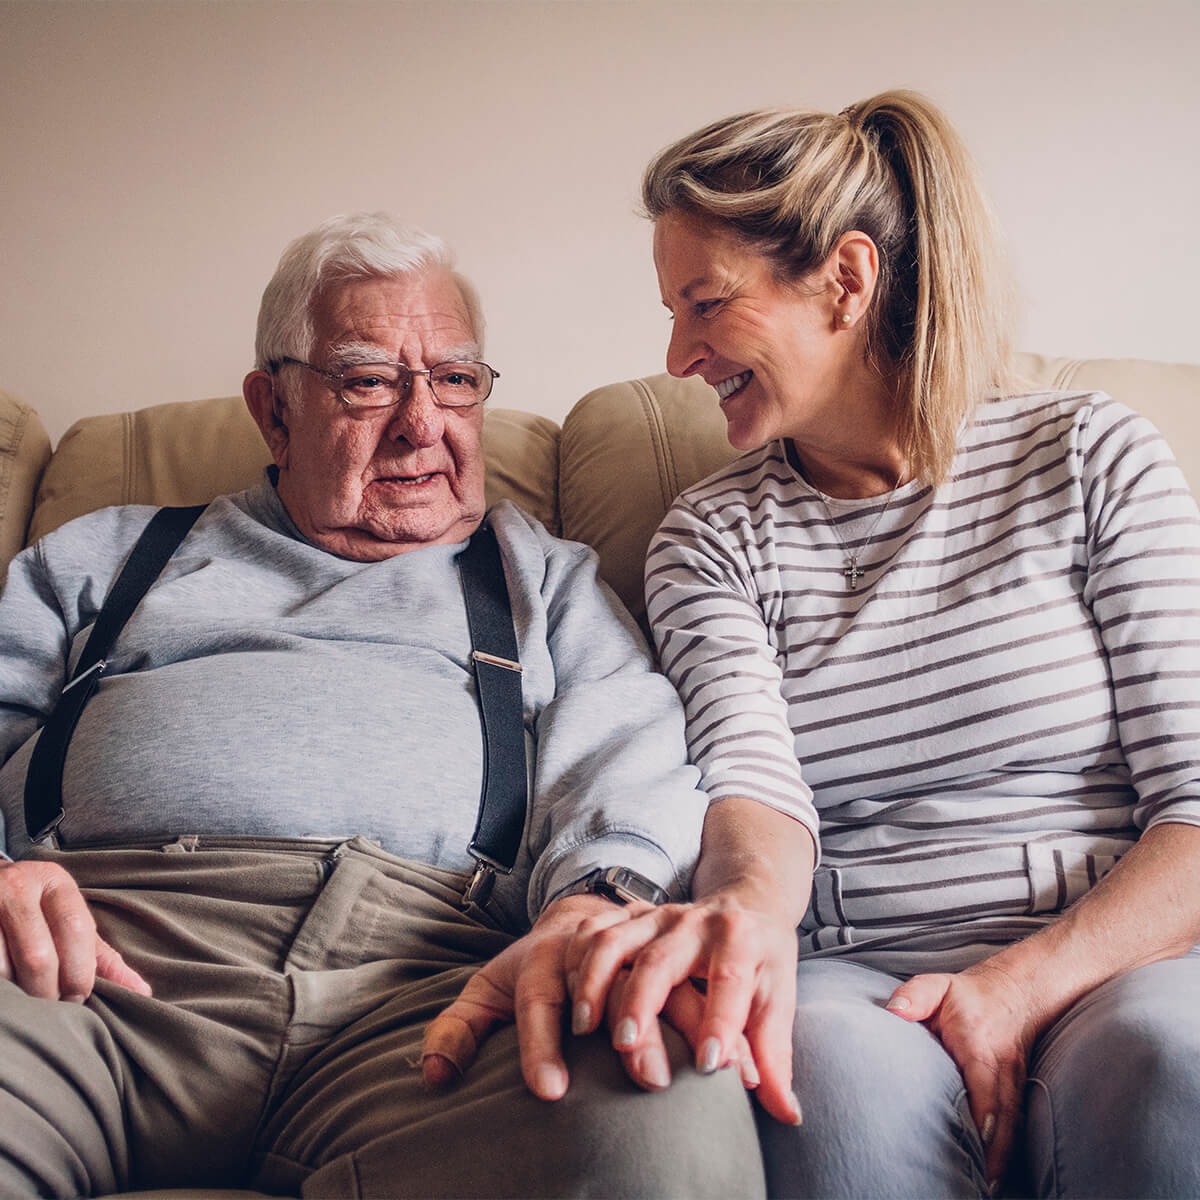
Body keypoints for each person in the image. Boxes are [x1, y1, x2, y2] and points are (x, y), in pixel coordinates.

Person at [0, 212, 764, 1198]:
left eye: (453, 380)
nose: (421, 422)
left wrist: (595, 903)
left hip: (427, 1003)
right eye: (367, 381)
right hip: (82, 975)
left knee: (663, 1104)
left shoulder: (541, 579)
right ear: (272, 409)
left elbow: (628, 753)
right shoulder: (107, 554)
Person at [559, 92, 1200, 1199]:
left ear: (847, 281)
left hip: (1109, 951)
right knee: (823, 1086)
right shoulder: (710, 539)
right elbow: (754, 797)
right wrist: (743, 914)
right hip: (857, 971)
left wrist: (1015, 985)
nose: (677, 355)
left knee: (1166, 1070)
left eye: (705, 304)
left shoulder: (1089, 456)